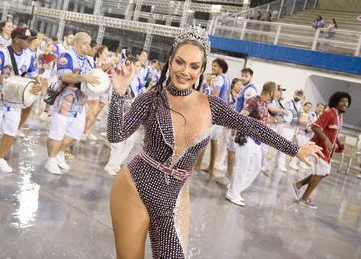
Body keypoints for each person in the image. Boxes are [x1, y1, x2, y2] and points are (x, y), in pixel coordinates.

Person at [108, 25, 321, 258]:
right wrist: (118, 94)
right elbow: (116, 135)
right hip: (134, 186)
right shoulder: (151, 99)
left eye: (194, 66)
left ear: (202, 70)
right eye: (180, 62)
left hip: (174, 198)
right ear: (170, 61)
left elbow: (250, 126)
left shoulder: (211, 106)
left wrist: (294, 148)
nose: (185, 71)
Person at [44, 32, 99, 175]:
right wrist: (84, 77)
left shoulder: (89, 60)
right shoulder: (67, 56)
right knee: (57, 132)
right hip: (63, 101)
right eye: (85, 43)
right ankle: (50, 160)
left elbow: (92, 79)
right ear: (76, 43)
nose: (88, 46)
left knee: (75, 133)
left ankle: (60, 154)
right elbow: (65, 76)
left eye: (89, 43)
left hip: (79, 104)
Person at [291, 92, 350, 209]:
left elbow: (334, 132)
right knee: (321, 172)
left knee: (324, 173)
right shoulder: (329, 113)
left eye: (347, 102)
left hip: (327, 150)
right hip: (319, 148)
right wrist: (327, 140)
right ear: (336, 101)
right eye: (343, 101)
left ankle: (298, 185)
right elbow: (315, 126)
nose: (345, 104)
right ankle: (304, 198)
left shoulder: (338, 115)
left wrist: (338, 144)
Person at [0, 26, 41, 173]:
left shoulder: (28, 56)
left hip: (14, 101)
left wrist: (37, 86)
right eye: (27, 39)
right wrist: (6, 80)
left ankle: (0, 158)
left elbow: (34, 76)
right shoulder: (2, 53)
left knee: (11, 131)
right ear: (16, 39)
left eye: (31, 40)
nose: (30, 42)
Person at [226, 81, 277, 206]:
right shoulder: (253, 100)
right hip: (247, 139)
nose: (277, 94)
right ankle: (234, 193)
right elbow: (242, 116)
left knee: (256, 167)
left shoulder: (265, 104)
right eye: (275, 91)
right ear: (271, 92)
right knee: (242, 169)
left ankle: (235, 190)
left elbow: (262, 120)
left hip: (257, 141)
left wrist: (273, 120)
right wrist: (238, 132)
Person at [289, 102, 314, 170]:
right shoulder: (301, 113)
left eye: (310, 107)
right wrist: (309, 125)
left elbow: (310, 125)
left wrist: (310, 124)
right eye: (307, 106)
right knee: (300, 149)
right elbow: (301, 124)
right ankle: (293, 163)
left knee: (302, 149)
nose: (308, 108)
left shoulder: (308, 115)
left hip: (306, 135)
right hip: (300, 134)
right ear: (304, 106)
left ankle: (299, 163)